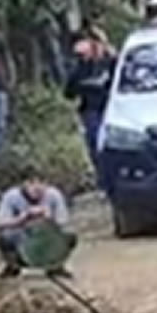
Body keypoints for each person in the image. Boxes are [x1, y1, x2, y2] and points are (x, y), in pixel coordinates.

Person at [63, 28, 115, 192]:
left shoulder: (111, 62)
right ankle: (103, 182)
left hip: (112, 109)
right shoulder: (79, 67)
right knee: (95, 145)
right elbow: (68, 92)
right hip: (90, 110)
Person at [0, 172, 72, 278]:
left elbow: (63, 221)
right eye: (31, 182)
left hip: (47, 237)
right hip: (22, 237)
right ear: (23, 184)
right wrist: (22, 218)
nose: (37, 187)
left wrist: (48, 218)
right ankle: (13, 265)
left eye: (41, 182)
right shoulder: (11, 196)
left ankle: (56, 266)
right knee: (4, 236)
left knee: (69, 234)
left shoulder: (54, 195)